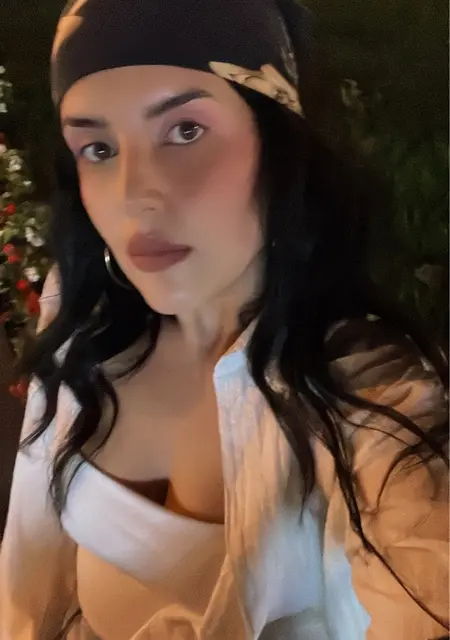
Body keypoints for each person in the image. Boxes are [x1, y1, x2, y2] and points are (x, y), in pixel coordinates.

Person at [0, 0, 448, 638]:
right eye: (97, 148)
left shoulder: (372, 393)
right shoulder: (86, 323)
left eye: (185, 131)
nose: (133, 195)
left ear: (279, 145)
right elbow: (29, 584)